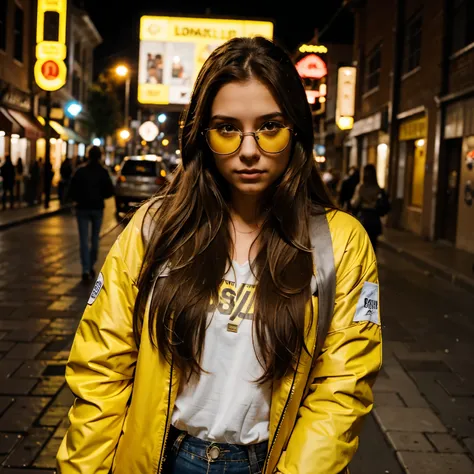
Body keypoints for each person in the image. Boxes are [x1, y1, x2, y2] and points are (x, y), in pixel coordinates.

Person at [57, 37, 382, 474]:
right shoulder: (156, 228)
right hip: (161, 459)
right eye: (228, 128)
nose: (249, 150)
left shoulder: (340, 242)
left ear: (296, 130)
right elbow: (102, 368)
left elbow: (341, 389)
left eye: (270, 126)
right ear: (203, 134)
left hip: (269, 463)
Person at [67, 146, 114, 282]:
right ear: (99, 156)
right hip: (97, 208)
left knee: (83, 240)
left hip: (82, 208)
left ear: (88, 156)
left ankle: (85, 269)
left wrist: (77, 199)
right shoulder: (103, 172)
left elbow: (72, 189)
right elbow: (109, 191)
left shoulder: (80, 171)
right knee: (94, 239)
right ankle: (92, 263)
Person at [351, 163, 389, 252]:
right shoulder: (378, 189)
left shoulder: (361, 188)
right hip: (374, 220)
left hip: (363, 218)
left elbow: (355, 204)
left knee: (362, 246)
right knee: (373, 245)